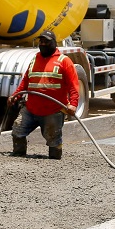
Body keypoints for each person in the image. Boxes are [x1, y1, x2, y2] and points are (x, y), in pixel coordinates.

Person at [8, 30, 79, 160]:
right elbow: (25, 81)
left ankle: (54, 160)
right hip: (31, 108)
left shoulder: (64, 61)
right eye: (41, 41)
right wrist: (15, 96)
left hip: (53, 110)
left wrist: (73, 104)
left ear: (53, 43)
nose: (43, 44)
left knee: (53, 138)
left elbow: (74, 86)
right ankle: (18, 156)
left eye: (46, 41)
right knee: (17, 130)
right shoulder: (35, 59)